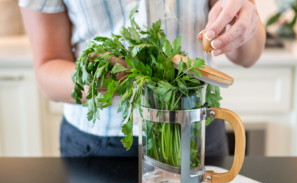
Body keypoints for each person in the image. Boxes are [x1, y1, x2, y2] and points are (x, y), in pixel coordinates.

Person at [19, 0, 266, 157]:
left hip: (195, 131)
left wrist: (244, 19)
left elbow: (249, 56)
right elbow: (47, 70)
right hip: (98, 146)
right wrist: (106, 75)